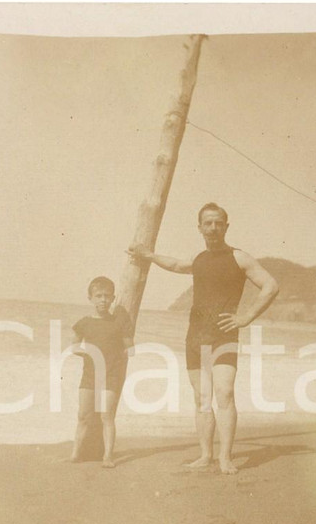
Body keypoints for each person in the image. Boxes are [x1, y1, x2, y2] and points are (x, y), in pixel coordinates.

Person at [129, 203, 279, 474]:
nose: (213, 228)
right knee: (202, 398)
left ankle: (225, 457)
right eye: (207, 223)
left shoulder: (239, 257)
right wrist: (148, 255)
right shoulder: (199, 260)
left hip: (224, 335)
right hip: (195, 337)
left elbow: (271, 285)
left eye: (218, 223)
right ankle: (205, 454)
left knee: (225, 393)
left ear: (226, 226)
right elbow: (174, 264)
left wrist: (245, 318)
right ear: (199, 228)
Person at [69, 276, 134, 468]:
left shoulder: (118, 321)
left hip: (112, 375)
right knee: (83, 415)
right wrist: (89, 353)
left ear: (113, 298)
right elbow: (73, 346)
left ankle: (108, 456)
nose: (103, 300)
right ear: (90, 298)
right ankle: (75, 454)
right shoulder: (84, 323)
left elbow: (130, 348)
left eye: (107, 296)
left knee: (107, 416)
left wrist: (117, 356)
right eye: (98, 296)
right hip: (89, 375)